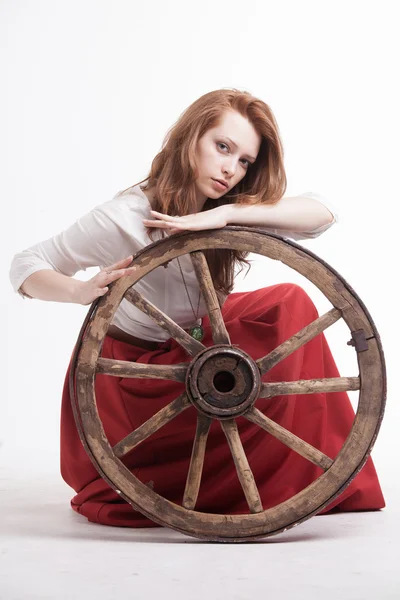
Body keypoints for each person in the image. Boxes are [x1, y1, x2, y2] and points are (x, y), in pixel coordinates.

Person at [9, 88, 385, 528]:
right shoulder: (124, 216)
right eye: (222, 147)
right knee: (272, 318)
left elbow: (323, 213)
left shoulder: (223, 208)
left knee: (290, 304)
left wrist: (226, 216)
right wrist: (80, 291)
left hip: (199, 350)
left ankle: (315, 471)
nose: (231, 168)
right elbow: (25, 264)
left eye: (244, 160)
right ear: (192, 139)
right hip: (134, 386)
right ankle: (239, 479)